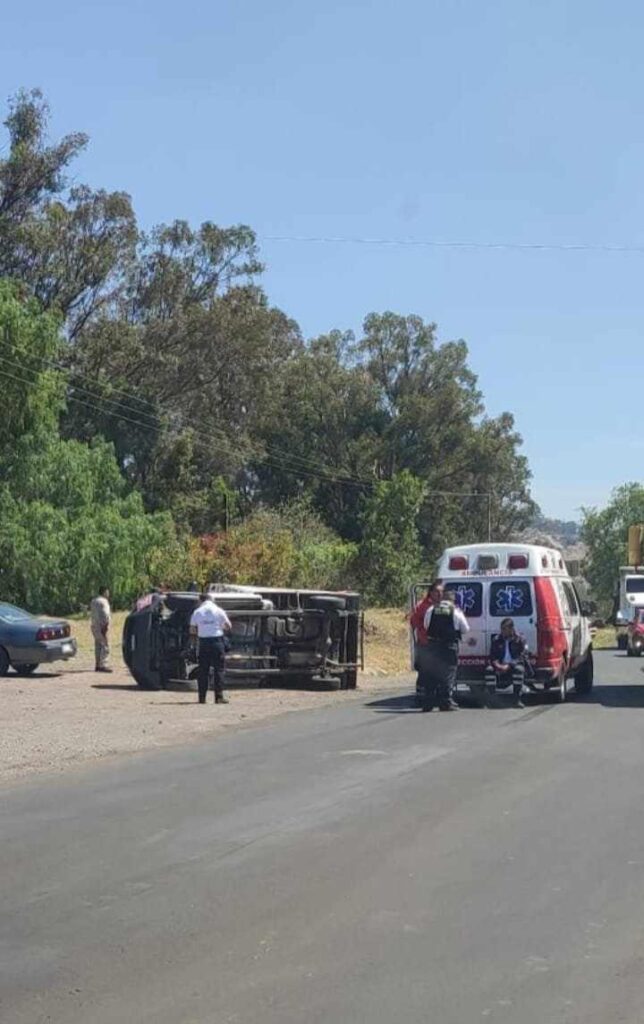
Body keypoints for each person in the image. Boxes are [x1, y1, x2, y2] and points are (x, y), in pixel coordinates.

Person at [421, 588, 470, 711]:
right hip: (448, 647)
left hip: (432, 646)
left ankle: (429, 702)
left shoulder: (431, 609)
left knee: (431, 673)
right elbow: (465, 629)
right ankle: (446, 702)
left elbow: (426, 625)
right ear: (453, 600)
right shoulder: (456, 612)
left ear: (442, 598)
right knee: (448, 673)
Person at [190, 592, 232, 705]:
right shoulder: (219, 610)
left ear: (200, 601)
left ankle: (202, 698)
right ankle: (219, 697)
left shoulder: (197, 612)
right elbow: (228, 626)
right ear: (211, 599)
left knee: (203, 670)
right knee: (219, 669)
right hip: (217, 642)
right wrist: (219, 628)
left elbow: (192, 630)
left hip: (203, 643)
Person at [484, 617, 530, 709]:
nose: (503, 631)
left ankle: (516, 700)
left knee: (519, 670)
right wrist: (497, 665)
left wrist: (509, 665)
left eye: (505, 629)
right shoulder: (496, 640)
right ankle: (493, 700)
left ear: (512, 629)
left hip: (513, 665)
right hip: (500, 665)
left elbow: (522, 656)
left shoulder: (520, 639)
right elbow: (493, 656)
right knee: (489, 670)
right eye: (502, 629)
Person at [410, 580, 444, 701]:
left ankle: (438, 695)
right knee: (424, 672)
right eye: (436, 592)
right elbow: (413, 621)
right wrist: (423, 630)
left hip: (440, 645)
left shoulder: (445, 606)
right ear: (430, 593)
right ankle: (421, 697)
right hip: (425, 644)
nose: (439, 594)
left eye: (441, 592)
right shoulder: (422, 606)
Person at [90, 587, 112, 673]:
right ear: (104, 592)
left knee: (98, 645)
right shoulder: (104, 601)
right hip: (102, 626)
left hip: (94, 625)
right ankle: (103, 665)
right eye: (107, 592)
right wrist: (105, 626)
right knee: (106, 645)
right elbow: (105, 614)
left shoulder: (93, 601)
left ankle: (97, 664)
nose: (108, 594)